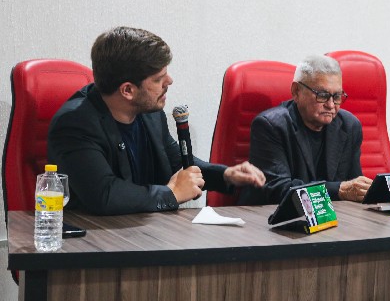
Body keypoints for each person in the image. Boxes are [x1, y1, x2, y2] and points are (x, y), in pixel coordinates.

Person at [48, 26, 265, 216]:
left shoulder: (150, 113)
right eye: (158, 79)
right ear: (127, 90)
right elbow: (104, 194)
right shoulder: (75, 124)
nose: (169, 81)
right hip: (96, 239)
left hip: (146, 230)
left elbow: (175, 162)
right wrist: (171, 194)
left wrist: (226, 175)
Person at [238, 55, 372, 205]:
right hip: (274, 214)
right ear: (296, 91)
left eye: (337, 96)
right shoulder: (271, 126)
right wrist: (339, 190)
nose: (331, 105)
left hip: (330, 214)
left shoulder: (349, 126)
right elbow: (277, 190)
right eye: (322, 95)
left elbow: (354, 187)